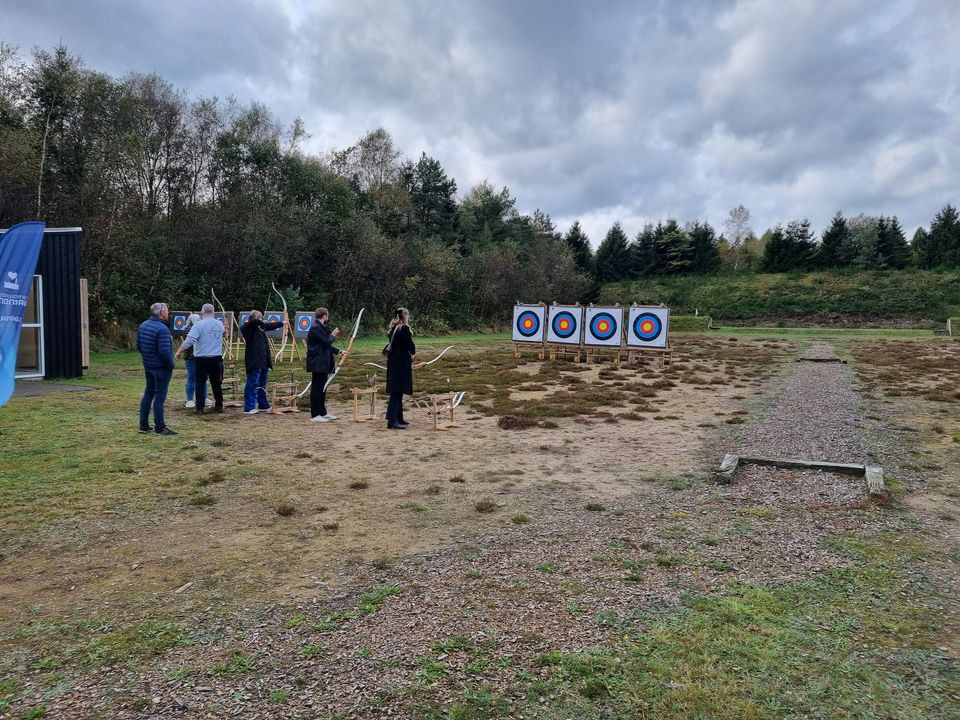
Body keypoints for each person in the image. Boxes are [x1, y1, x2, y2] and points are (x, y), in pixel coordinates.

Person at [175, 303, 225, 415]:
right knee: (216, 382)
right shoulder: (219, 324)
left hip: (202, 358)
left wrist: (179, 351)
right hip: (216, 358)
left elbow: (189, 340)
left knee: (200, 383)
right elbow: (222, 334)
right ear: (213, 312)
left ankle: (200, 408)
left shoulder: (199, 325)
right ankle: (219, 405)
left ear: (202, 312)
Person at [136, 302, 177, 435]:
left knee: (148, 394)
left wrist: (148, 359)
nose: (168, 312)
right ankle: (160, 427)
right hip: (160, 368)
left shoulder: (143, 325)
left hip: (149, 366)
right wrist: (170, 365)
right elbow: (164, 352)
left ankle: (143, 425)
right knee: (159, 397)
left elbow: (139, 346)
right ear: (161, 313)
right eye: (166, 310)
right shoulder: (162, 329)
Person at [239, 310, 285, 414]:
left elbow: (270, 326)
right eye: (260, 318)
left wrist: (282, 323)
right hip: (254, 360)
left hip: (264, 360)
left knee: (262, 384)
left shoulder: (261, 327)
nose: (262, 320)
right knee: (253, 382)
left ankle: (263, 404)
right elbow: (255, 322)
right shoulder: (247, 327)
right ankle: (249, 407)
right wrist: (259, 321)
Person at [305, 307, 345, 422]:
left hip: (322, 362)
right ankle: (315, 414)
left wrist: (339, 352)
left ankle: (322, 412)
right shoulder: (316, 327)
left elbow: (325, 345)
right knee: (317, 388)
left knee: (323, 388)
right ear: (324, 316)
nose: (328, 317)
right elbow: (327, 341)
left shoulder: (320, 327)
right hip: (317, 362)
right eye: (327, 315)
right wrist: (333, 334)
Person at [385, 307, 415, 430]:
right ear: (405, 315)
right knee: (396, 392)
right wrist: (413, 353)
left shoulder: (394, 329)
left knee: (397, 392)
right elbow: (410, 345)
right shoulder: (404, 329)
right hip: (400, 363)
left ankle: (399, 417)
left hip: (394, 362)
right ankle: (392, 421)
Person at [182, 313, 208, 409]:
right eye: (197, 319)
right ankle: (190, 400)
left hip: (200, 357)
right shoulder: (188, 329)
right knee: (192, 378)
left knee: (203, 378)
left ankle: (204, 397)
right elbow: (193, 340)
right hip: (191, 358)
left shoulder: (198, 328)